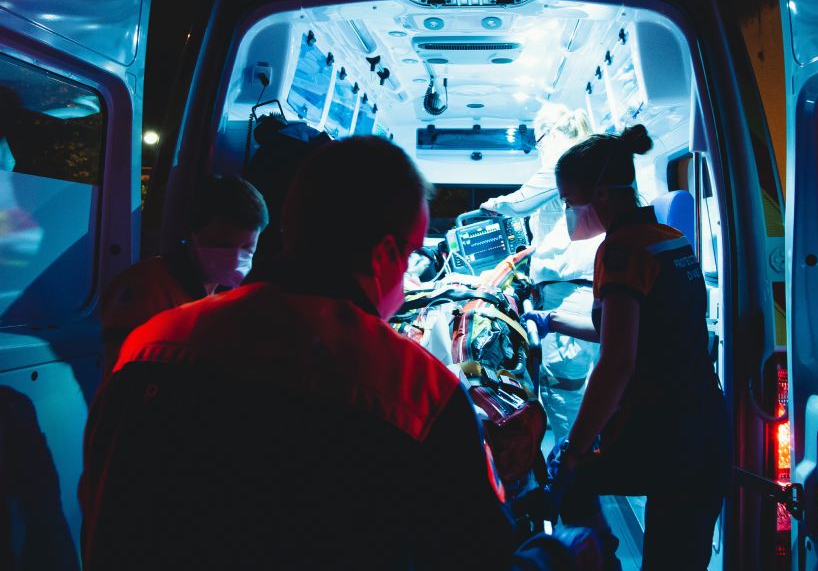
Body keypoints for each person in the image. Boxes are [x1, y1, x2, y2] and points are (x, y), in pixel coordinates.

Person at [78, 136, 603, 570]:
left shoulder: (152, 342)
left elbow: (98, 506)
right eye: (412, 254)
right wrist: (556, 554)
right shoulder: (418, 389)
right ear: (385, 257)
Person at [524, 124, 731, 570]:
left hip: (669, 436)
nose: (567, 211)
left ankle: (597, 560)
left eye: (567, 200)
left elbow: (618, 361)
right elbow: (635, 330)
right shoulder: (669, 239)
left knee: (571, 477)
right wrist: (554, 321)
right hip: (705, 427)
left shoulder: (619, 251)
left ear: (598, 193)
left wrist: (575, 448)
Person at [480, 103, 603, 445]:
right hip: (579, 288)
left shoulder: (562, 162)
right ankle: (580, 466)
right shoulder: (583, 161)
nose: (537, 149)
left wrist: (491, 204)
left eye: (536, 141)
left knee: (563, 391)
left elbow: (519, 202)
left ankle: (573, 473)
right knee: (577, 390)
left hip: (569, 292)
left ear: (547, 134)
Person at [98, 173, 269, 374]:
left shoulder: (224, 295)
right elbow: (128, 379)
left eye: (248, 247)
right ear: (192, 234)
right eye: (222, 246)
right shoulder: (145, 289)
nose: (235, 259)